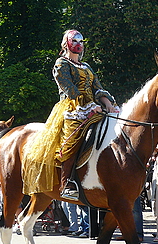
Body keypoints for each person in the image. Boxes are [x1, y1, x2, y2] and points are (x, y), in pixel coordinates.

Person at [22, 30, 118, 201]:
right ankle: (67, 183)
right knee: (72, 139)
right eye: (75, 40)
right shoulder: (61, 64)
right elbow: (70, 90)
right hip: (73, 108)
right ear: (67, 43)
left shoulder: (86, 67)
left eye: (81, 41)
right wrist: (90, 106)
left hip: (95, 107)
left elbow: (97, 87)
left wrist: (108, 104)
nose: (79, 44)